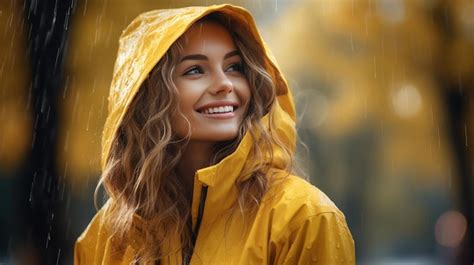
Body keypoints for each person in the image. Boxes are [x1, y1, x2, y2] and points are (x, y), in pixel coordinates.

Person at [74, 4, 355, 265]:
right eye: (195, 70)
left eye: (234, 67)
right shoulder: (108, 235)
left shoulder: (304, 217)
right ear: (148, 97)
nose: (224, 84)